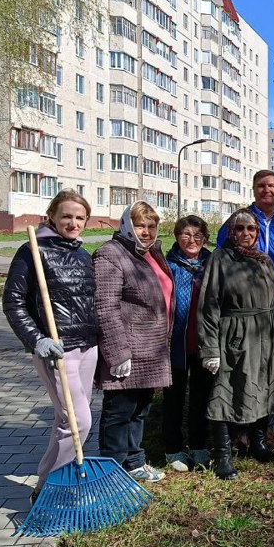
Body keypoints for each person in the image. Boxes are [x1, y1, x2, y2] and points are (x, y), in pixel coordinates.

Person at [3, 189, 99, 504]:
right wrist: (36, 339)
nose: (73, 222)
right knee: (79, 421)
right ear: (52, 217)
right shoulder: (32, 250)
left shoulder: (83, 255)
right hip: (56, 350)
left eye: (79, 217)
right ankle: (51, 489)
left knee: (66, 421)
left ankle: (50, 485)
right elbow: (13, 302)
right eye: (67, 216)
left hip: (87, 346)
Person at [199, 209, 274, 479]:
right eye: (239, 228)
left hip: (267, 333)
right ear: (231, 231)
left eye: (251, 229)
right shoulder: (221, 258)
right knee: (226, 391)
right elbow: (209, 304)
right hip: (234, 334)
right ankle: (223, 454)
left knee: (264, 387)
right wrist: (210, 349)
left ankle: (258, 442)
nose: (245, 234)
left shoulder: (264, 260)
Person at [215, 170, 274, 431]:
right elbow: (222, 256)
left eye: (271, 186)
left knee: (273, 369)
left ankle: (265, 429)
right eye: (260, 186)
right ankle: (240, 427)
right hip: (242, 313)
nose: (266, 190)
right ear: (253, 189)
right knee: (242, 370)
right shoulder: (240, 220)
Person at [94, 201, 173, 483]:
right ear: (127, 225)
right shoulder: (111, 254)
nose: (147, 231)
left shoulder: (150, 254)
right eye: (140, 225)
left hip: (151, 348)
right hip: (127, 348)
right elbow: (105, 307)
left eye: (151, 226)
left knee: (141, 409)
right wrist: (117, 353)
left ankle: (134, 462)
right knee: (119, 412)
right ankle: (110, 471)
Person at [163, 216, 213, 472]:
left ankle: (199, 444)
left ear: (205, 238)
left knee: (201, 396)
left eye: (197, 235)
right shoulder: (167, 264)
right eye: (185, 234)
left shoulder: (211, 264)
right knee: (173, 397)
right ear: (176, 236)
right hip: (176, 343)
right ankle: (172, 447)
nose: (191, 240)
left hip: (205, 343)